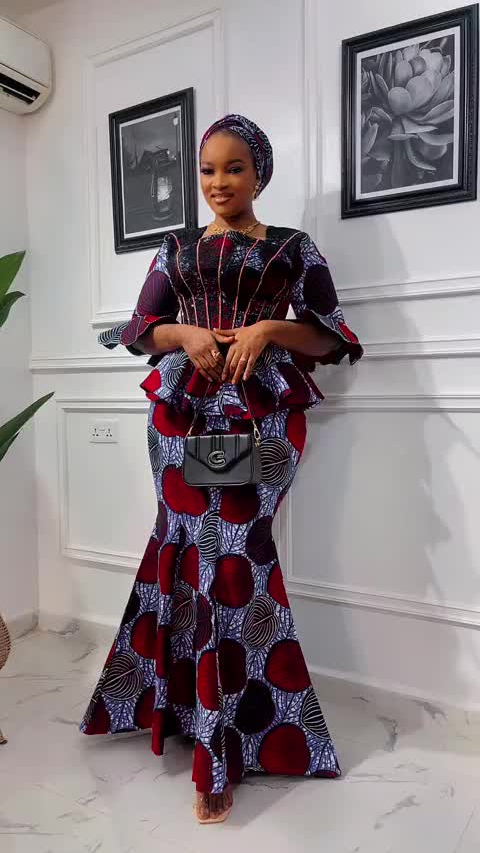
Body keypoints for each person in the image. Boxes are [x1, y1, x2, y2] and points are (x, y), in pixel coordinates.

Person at [79, 113, 364, 825]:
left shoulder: (293, 247)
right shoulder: (175, 248)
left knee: (236, 556)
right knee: (181, 549)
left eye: (234, 168)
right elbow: (140, 331)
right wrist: (185, 332)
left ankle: (227, 745)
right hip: (179, 418)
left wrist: (267, 328)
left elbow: (330, 338)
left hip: (263, 417)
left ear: (259, 173)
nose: (218, 182)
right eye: (207, 170)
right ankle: (180, 714)